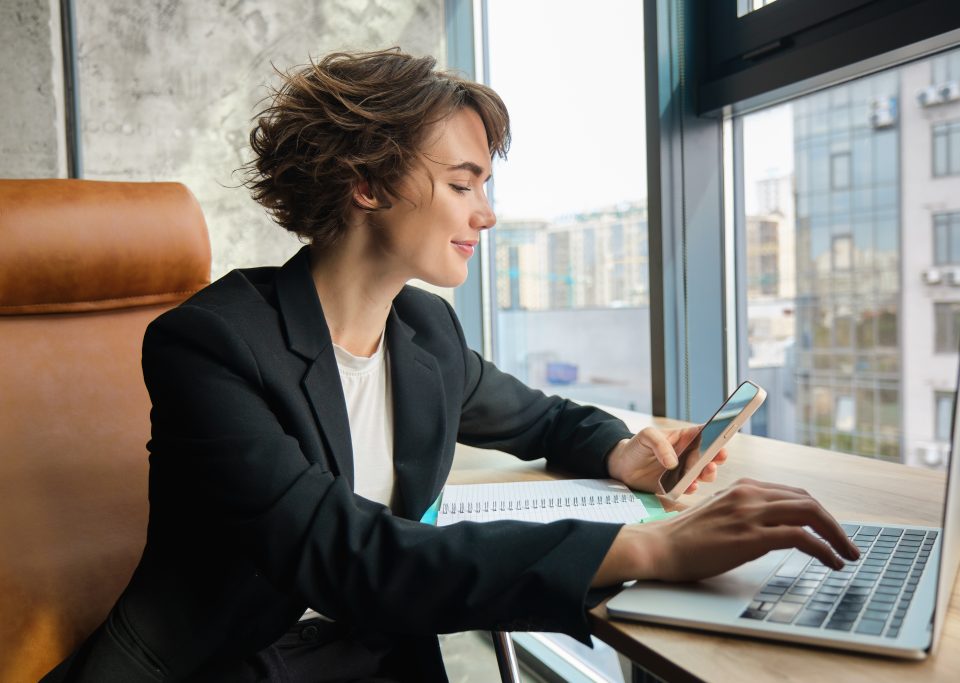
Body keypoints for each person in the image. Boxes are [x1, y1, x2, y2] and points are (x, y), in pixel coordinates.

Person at [44, 49, 858, 682]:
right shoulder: (209, 344)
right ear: (365, 181)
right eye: (463, 183)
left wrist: (620, 450)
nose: (487, 213)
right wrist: (652, 550)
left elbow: (541, 417)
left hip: (378, 653)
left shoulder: (422, 331)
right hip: (232, 660)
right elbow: (348, 555)